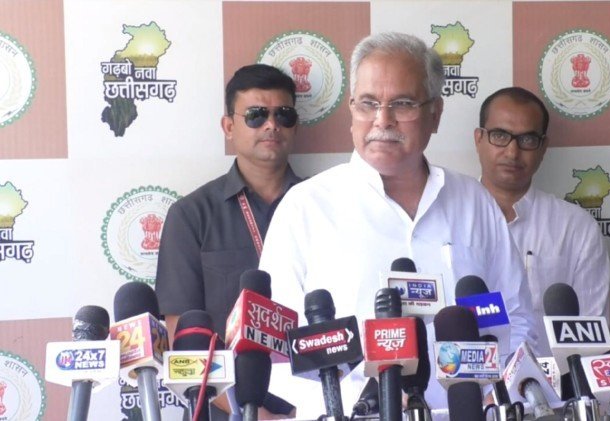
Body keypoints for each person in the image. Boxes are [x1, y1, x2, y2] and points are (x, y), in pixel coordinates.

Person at [259, 32, 537, 419]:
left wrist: (493, 394)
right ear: (351, 109)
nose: (382, 120)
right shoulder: (306, 206)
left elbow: (518, 319)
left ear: (435, 114)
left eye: (402, 104)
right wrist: (367, 401)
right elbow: (274, 348)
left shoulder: (474, 203)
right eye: (368, 103)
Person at [155, 64, 301, 419]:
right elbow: (180, 337)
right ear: (229, 127)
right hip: (225, 408)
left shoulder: (325, 207)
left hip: (317, 402)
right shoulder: (191, 215)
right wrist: (250, 412)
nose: (271, 125)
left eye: (283, 114)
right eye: (255, 115)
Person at [473, 87, 610, 357]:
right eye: (500, 136)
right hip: (463, 378)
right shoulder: (450, 219)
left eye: (527, 139)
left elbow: (591, 340)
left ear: (543, 147)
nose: (512, 152)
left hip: (554, 383)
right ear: (479, 139)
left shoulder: (576, 228)